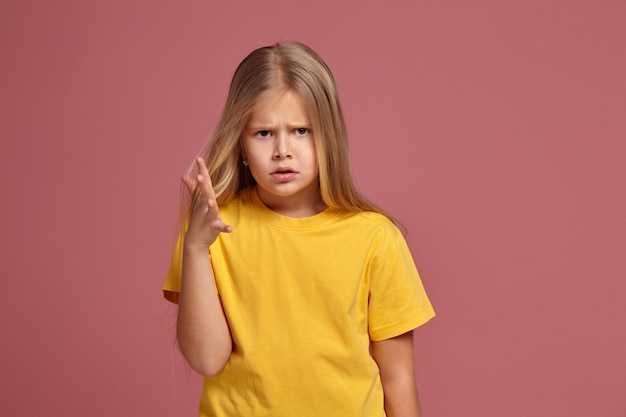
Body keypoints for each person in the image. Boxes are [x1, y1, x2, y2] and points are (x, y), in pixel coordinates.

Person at [163, 41, 435, 417]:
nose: (282, 151)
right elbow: (207, 359)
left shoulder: (375, 238)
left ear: (329, 136)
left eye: (301, 130)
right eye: (263, 133)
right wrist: (195, 247)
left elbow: (398, 379)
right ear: (240, 143)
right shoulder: (211, 231)